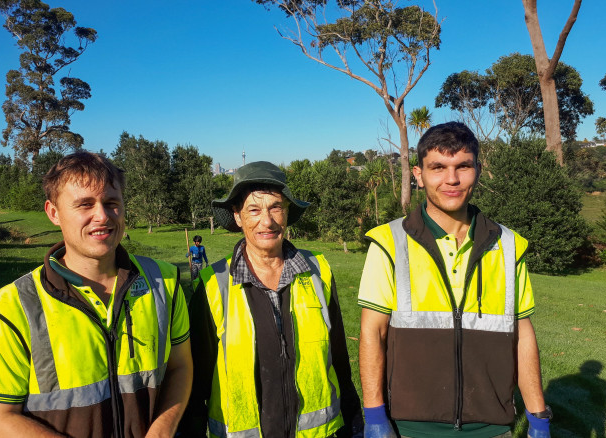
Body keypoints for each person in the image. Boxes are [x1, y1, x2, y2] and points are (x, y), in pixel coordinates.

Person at [0, 152, 193, 438]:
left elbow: (180, 366)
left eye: (112, 203)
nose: (102, 216)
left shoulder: (163, 282)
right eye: (85, 204)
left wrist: (162, 430)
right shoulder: (14, 308)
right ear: (53, 212)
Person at [357, 122, 552, 438]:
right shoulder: (390, 242)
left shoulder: (509, 245)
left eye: (463, 166)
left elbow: (524, 336)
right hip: (410, 426)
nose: (452, 179)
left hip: (491, 426)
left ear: (478, 169)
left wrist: (539, 417)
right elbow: (371, 333)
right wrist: (375, 417)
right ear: (418, 175)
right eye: (438, 167)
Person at [179, 161, 362, 438]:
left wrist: (355, 423)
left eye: (276, 207)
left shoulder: (318, 271)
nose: (267, 221)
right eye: (253, 209)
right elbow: (195, 384)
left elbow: (338, 359)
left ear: (287, 213)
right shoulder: (212, 284)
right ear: (238, 216)